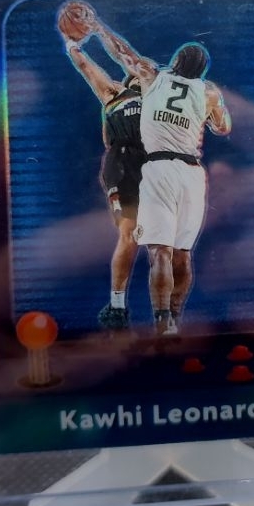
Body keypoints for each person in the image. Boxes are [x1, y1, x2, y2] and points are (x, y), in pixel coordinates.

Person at [93, 21, 231, 336]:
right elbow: (223, 128)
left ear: (176, 61)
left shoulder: (153, 76)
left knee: (160, 252)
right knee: (183, 255)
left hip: (159, 168)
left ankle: (161, 322)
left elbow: (123, 53)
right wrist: (214, 111)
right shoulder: (208, 92)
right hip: (192, 173)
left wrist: (99, 29)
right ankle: (175, 319)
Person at [60, 14, 145, 332]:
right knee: (129, 233)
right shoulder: (113, 93)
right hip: (123, 163)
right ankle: (117, 307)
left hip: (156, 165)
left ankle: (167, 309)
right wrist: (72, 44)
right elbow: (86, 67)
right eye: (137, 73)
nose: (143, 73)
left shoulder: (157, 94)